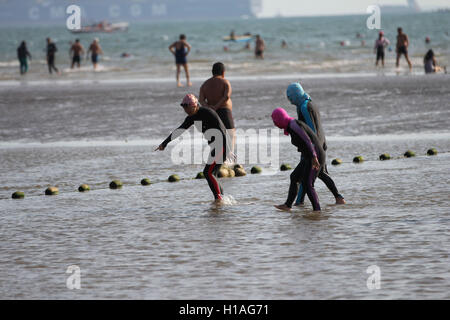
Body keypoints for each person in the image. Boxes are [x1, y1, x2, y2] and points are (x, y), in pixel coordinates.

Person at [155, 94, 231, 203]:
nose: (186, 111)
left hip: (221, 145)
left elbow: (222, 130)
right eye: (184, 108)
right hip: (216, 147)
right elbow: (180, 130)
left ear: (194, 105)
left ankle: (219, 199)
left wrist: (227, 150)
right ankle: (221, 199)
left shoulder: (208, 113)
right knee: (211, 174)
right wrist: (165, 143)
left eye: (187, 108)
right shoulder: (192, 117)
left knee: (208, 173)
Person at [286, 82, 345, 205]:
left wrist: (312, 149)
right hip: (319, 143)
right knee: (315, 173)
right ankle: (300, 202)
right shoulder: (307, 103)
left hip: (314, 145)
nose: (290, 102)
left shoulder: (304, 107)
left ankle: (299, 203)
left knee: (312, 174)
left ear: (296, 95)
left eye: (291, 98)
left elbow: (312, 130)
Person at [272, 108, 324, 212]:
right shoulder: (290, 125)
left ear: (280, 118)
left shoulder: (293, 125)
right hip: (309, 155)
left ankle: (317, 211)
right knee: (294, 177)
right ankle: (287, 205)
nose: (275, 124)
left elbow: (307, 140)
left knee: (308, 184)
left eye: (275, 120)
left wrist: (314, 157)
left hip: (314, 155)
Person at [199, 62, 236, 156]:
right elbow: (226, 96)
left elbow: (201, 100)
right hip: (224, 111)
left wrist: (209, 108)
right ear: (223, 72)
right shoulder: (225, 82)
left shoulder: (205, 84)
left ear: (212, 72)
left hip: (210, 113)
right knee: (230, 133)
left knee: (214, 134)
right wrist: (217, 106)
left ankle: (216, 156)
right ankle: (229, 155)